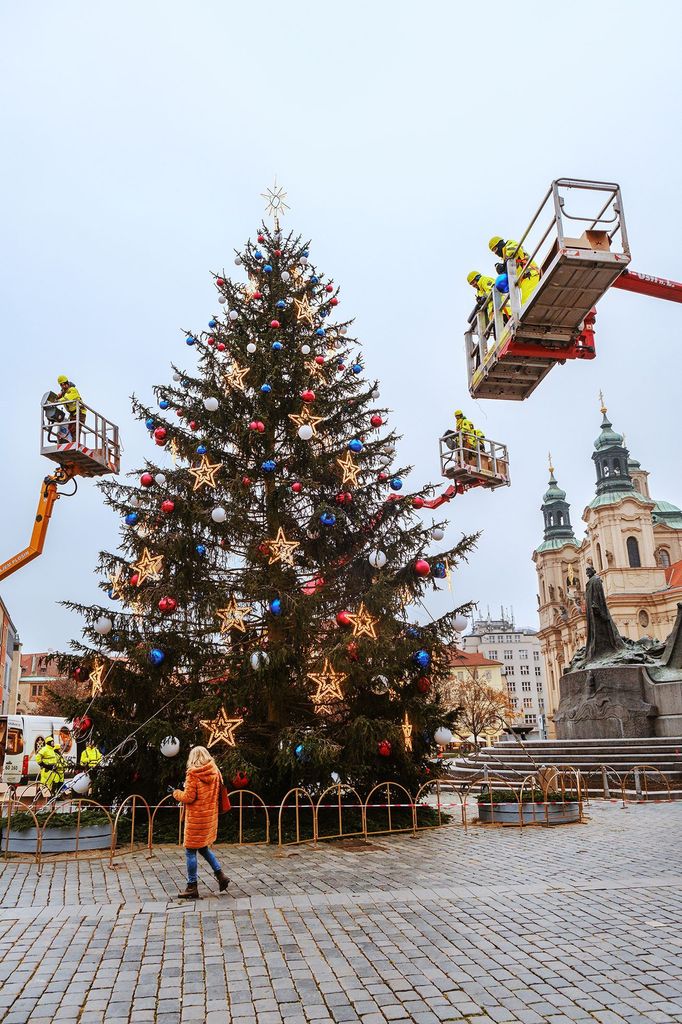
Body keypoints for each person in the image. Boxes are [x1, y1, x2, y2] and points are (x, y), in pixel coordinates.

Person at [173, 746, 230, 898]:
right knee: (203, 848)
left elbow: (189, 797)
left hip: (196, 819)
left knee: (190, 850)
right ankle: (221, 876)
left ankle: (192, 887)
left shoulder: (193, 773)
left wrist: (176, 793)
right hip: (209, 817)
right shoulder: (216, 771)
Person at [489, 236, 541, 305]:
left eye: (495, 249)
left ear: (500, 244)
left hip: (530, 275)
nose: (496, 253)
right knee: (524, 304)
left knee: (527, 304)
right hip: (524, 280)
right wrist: (503, 270)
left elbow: (512, 251)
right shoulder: (506, 258)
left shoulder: (510, 244)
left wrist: (504, 265)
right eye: (493, 251)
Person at [56, 375, 86, 442]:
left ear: (67, 383)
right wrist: (56, 398)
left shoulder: (72, 390)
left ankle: (75, 443)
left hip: (80, 412)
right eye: (61, 385)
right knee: (70, 428)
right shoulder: (64, 393)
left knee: (75, 428)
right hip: (73, 414)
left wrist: (57, 400)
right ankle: (70, 441)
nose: (63, 386)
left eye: (64, 384)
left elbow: (67, 399)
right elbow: (60, 398)